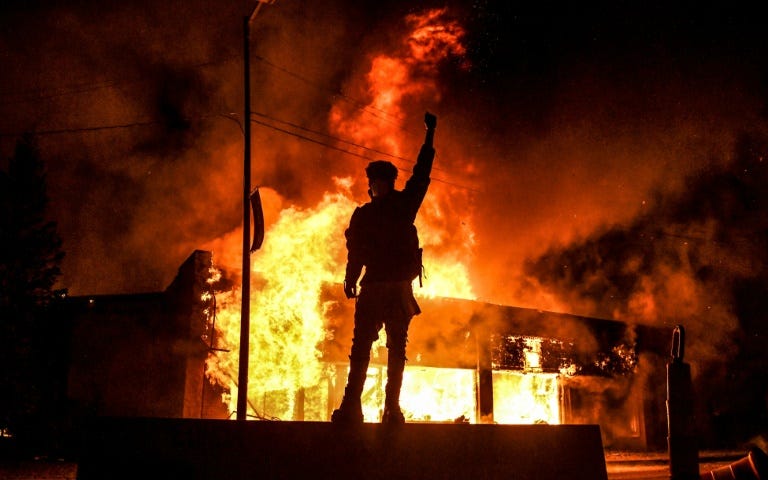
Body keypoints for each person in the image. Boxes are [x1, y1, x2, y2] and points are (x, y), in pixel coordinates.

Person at [332, 112, 437, 425]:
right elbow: (421, 175)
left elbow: (356, 253)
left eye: (375, 181)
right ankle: (387, 409)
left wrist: (351, 280)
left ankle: (358, 407)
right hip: (393, 290)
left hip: (378, 288)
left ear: (375, 184)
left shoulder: (366, 215)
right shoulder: (403, 206)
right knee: (391, 351)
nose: (375, 186)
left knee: (364, 349)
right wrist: (430, 134)